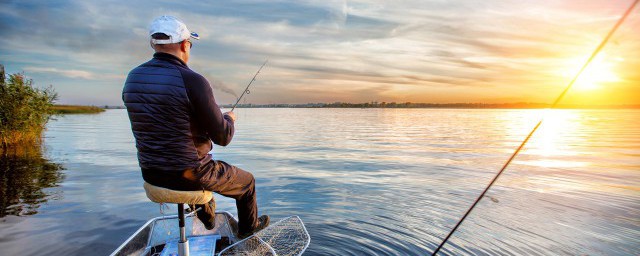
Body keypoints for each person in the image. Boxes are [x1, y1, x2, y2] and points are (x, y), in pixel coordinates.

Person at [122, 15, 269, 238]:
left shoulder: (133, 78)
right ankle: (248, 231)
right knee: (246, 182)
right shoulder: (193, 80)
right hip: (190, 174)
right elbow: (223, 137)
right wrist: (229, 119)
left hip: (151, 174)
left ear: (154, 44)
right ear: (184, 44)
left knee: (201, 171)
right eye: (190, 44)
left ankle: (207, 215)